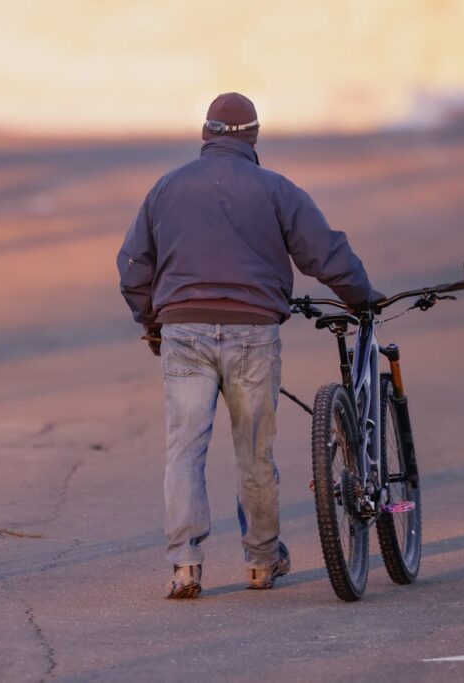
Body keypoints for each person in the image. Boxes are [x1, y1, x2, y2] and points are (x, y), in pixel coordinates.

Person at [117, 92, 379, 599]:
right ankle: (261, 561)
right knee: (254, 452)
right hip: (253, 333)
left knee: (184, 451)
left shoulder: (166, 188)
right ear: (254, 137)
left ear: (205, 134)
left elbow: (133, 267)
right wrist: (361, 297)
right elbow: (324, 253)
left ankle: (185, 565)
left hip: (184, 331)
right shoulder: (277, 189)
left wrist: (152, 321)